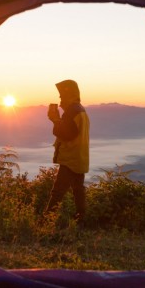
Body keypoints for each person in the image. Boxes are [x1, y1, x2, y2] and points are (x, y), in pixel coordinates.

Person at [43, 79, 90, 221]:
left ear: (69, 95)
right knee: (78, 190)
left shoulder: (72, 112)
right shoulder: (80, 110)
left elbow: (67, 134)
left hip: (70, 158)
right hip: (80, 157)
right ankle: (81, 219)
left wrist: (55, 120)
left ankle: (46, 221)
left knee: (57, 192)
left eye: (62, 96)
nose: (60, 99)